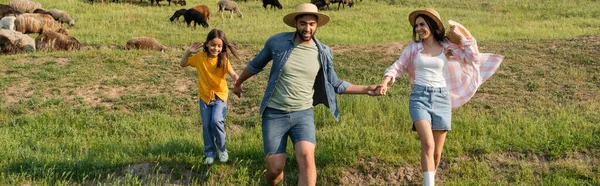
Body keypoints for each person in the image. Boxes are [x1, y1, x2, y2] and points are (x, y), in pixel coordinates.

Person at [232, 3, 382, 185]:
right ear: (296, 23)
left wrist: (367, 89)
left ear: (317, 25)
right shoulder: (277, 42)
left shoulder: (323, 52)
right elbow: (255, 65)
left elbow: (336, 84)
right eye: (303, 23)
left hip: (303, 113)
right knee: (274, 170)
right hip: (274, 113)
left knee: (307, 158)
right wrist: (239, 83)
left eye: (311, 24)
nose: (307, 28)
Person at [378, 8, 503, 186]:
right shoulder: (413, 48)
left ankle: (428, 181)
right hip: (419, 98)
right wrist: (385, 82)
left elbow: (473, 57)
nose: (418, 28)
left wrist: (463, 39)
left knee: (437, 152)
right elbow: (398, 66)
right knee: (428, 144)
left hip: (442, 98)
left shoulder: (446, 47)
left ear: (432, 24)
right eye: (416, 26)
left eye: (422, 24)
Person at [180, 29, 240, 165]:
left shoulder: (223, 59)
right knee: (206, 125)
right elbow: (182, 64)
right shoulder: (200, 58)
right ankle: (209, 153)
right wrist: (189, 51)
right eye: (213, 45)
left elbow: (232, 73)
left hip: (220, 96)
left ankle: (222, 149)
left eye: (219, 46)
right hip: (205, 97)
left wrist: (238, 81)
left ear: (223, 47)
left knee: (216, 121)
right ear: (206, 44)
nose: (216, 48)